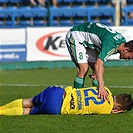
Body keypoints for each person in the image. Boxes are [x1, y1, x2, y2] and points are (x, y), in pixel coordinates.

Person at [65, 22, 133, 100]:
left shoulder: (121, 42)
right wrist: (102, 87)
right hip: (75, 36)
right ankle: (76, 98)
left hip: (89, 43)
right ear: (125, 50)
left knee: (97, 73)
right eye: (130, 57)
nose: (128, 60)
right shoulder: (111, 44)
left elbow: (99, 60)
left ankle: (97, 98)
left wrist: (96, 71)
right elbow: (98, 64)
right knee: (84, 69)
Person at [0, 86, 132, 115]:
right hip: (57, 107)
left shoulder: (105, 89)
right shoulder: (107, 110)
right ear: (119, 107)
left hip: (58, 92)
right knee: (28, 111)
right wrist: (113, 111)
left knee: (29, 101)